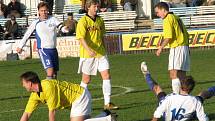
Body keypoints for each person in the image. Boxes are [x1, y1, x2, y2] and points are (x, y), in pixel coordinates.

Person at [19, 71, 117, 121]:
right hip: (76, 100)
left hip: (79, 97)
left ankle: (107, 118)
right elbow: (26, 114)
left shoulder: (48, 86)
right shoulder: (34, 95)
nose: (22, 85)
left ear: (30, 83)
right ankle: (105, 115)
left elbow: (52, 112)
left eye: (23, 83)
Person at [76, 0, 118, 110]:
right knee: (86, 80)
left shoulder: (100, 20)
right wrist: (89, 50)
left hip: (101, 53)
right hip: (88, 54)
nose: (96, 8)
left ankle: (107, 103)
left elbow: (102, 36)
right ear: (88, 7)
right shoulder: (83, 21)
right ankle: (78, 100)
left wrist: (105, 48)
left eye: (97, 6)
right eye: (94, 6)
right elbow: (81, 38)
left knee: (107, 75)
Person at [140, 62, 209, 121]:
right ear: (191, 89)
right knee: (202, 95)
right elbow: (203, 118)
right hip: (186, 116)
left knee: (157, 89)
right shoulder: (195, 101)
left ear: (180, 85)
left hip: (167, 115)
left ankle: (146, 73)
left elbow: (157, 114)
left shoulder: (170, 98)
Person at [16, 2, 69, 79]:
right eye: (42, 10)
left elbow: (61, 27)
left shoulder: (53, 19)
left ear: (48, 11)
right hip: (43, 50)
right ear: (38, 11)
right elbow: (27, 35)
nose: (44, 12)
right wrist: (20, 46)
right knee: (50, 72)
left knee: (54, 74)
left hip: (53, 49)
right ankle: (46, 90)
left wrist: (65, 29)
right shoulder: (35, 23)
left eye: (45, 10)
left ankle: (53, 90)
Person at [155, 2, 190, 94]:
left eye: (157, 12)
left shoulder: (167, 19)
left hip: (177, 47)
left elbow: (168, 37)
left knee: (173, 73)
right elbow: (186, 33)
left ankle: (175, 96)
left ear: (163, 10)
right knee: (182, 75)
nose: (157, 15)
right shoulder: (176, 17)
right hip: (184, 47)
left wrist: (160, 48)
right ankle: (184, 96)